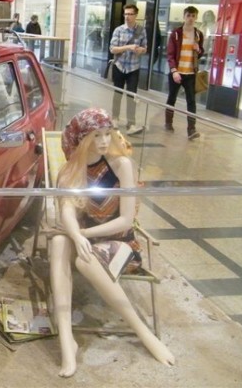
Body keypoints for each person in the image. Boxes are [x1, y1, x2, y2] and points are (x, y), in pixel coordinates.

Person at [48, 108, 175, 378]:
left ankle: (143, 333)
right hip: (83, 239)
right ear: (82, 140)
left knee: (85, 259)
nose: (104, 141)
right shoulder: (69, 171)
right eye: (96, 135)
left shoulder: (121, 166)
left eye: (108, 133)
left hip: (120, 242)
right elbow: (67, 212)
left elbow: (126, 221)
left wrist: (84, 236)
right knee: (59, 243)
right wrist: (76, 234)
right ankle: (66, 341)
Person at [165, 6, 204, 139]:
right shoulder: (176, 34)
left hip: (190, 74)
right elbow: (170, 54)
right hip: (177, 72)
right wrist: (174, 71)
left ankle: (191, 129)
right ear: (184, 17)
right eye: (188, 15)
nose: (191, 18)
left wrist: (198, 50)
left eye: (193, 16)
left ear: (196, 18)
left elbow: (200, 53)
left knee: (191, 101)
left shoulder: (198, 34)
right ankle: (168, 122)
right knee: (172, 98)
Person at [109, 4, 147, 136]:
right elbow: (113, 49)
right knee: (117, 94)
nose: (127, 17)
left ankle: (131, 124)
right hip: (119, 65)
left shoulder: (141, 30)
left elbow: (144, 47)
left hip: (133, 67)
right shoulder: (119, 30)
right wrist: (128, 47)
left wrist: (140, 50)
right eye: (125, 14)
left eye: (130, 14)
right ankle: (114, 119)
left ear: (136, 15)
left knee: (132, 95)